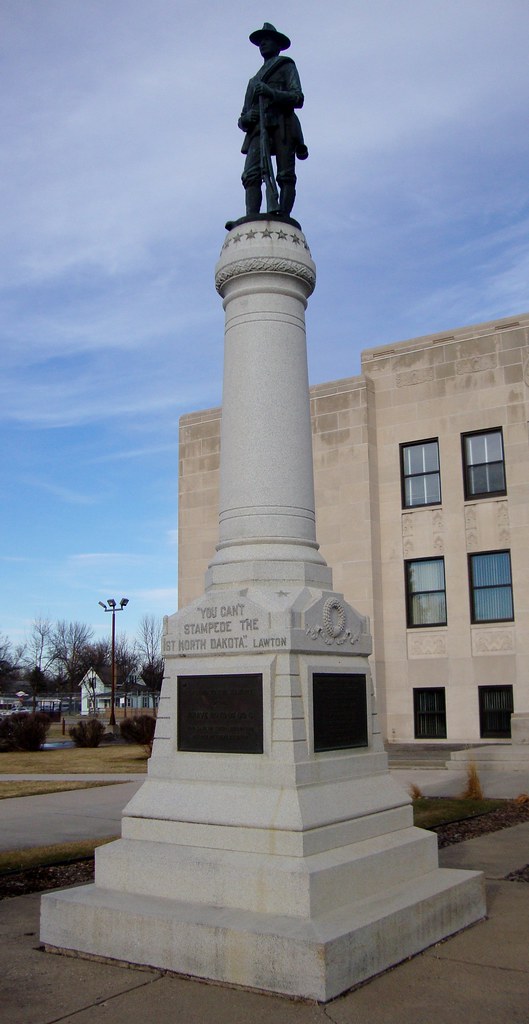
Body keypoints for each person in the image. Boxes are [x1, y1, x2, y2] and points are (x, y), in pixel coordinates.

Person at [238, 23, 308, 218]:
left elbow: (297, 98)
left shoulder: (285, 65)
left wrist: (271, 92)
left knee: (285, 175)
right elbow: (242, 116)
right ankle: (251, 217)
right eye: (260, 41)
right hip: (258, 128)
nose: (263, 44)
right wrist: (246, 119)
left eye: (267, 40)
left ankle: (282, 217)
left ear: (278, 45)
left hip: (283, 124)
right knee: (251, 174)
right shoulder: (253, 81)